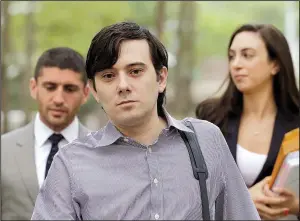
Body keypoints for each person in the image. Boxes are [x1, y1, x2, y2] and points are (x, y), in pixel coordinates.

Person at [31, 21, 260, 220]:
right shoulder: (70, 164)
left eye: (135, 71)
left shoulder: (206, 141)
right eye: (108, 76)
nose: (123, 85)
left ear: (161, 78)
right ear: (94, 90)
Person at [196, 24, 299, 220]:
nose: (236, 64)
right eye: (232, 56)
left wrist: (295, 206)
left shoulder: (296, 122)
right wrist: (244, 200)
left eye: (247, 55)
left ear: (275, 64)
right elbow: (193, 191)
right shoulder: (210, 117)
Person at [1, 47, 91, 220]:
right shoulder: (3, 150)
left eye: (70, 89)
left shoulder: (103, 152)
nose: (58, 99)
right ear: (34, 87)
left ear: (85, 93)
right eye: (50, 87)